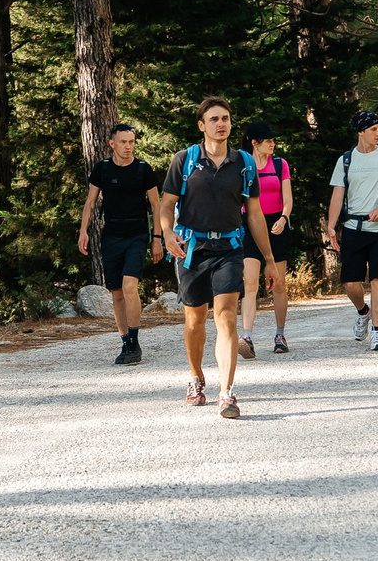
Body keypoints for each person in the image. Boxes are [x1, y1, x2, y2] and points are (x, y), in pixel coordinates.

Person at [154, 98, 274, 419]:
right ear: (202, 126)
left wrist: (269, 260)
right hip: (191, 249)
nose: (221, 123)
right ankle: (196, 378)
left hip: (230, 250)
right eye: (214, 119)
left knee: (225, 315)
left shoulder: (244, 163)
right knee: (194, 320)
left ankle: (227, 392)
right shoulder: (185, 160)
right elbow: (166, 206)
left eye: (226, 118)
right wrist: (167, 233)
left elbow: (256, 215)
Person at [77, 122, 163, 365]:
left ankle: (135, 342)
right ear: (112, 143)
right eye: (123, 142)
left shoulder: (143, 169)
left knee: (129, 287)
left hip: (137, 234)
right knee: (116, 293)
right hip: (111, 235)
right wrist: (84, 230)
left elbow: (156, 205)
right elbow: (90, 202)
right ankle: (125, 341)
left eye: (132, 142)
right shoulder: (102, 169)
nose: (128, 146)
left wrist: (157, 239)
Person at [326, 110, 378, 352]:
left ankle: (377, 332)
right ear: (361, 131)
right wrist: (331, 226)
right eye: (373, 129)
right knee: (351, 283)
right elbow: (337, 194)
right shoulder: (346, 160)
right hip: (353, 227)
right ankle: (363, 312)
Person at [241, 121, 295, 354]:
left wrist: (284, 218)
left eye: (274, 140)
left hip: (277, 224)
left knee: (279, 284)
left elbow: (288, 198)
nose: (273, 144)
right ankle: (247, 337)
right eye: (268, 140)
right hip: (250, 225)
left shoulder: (280, 164)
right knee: (250, 282)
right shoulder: (243, 165)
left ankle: (280, 335)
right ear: (254, 143)